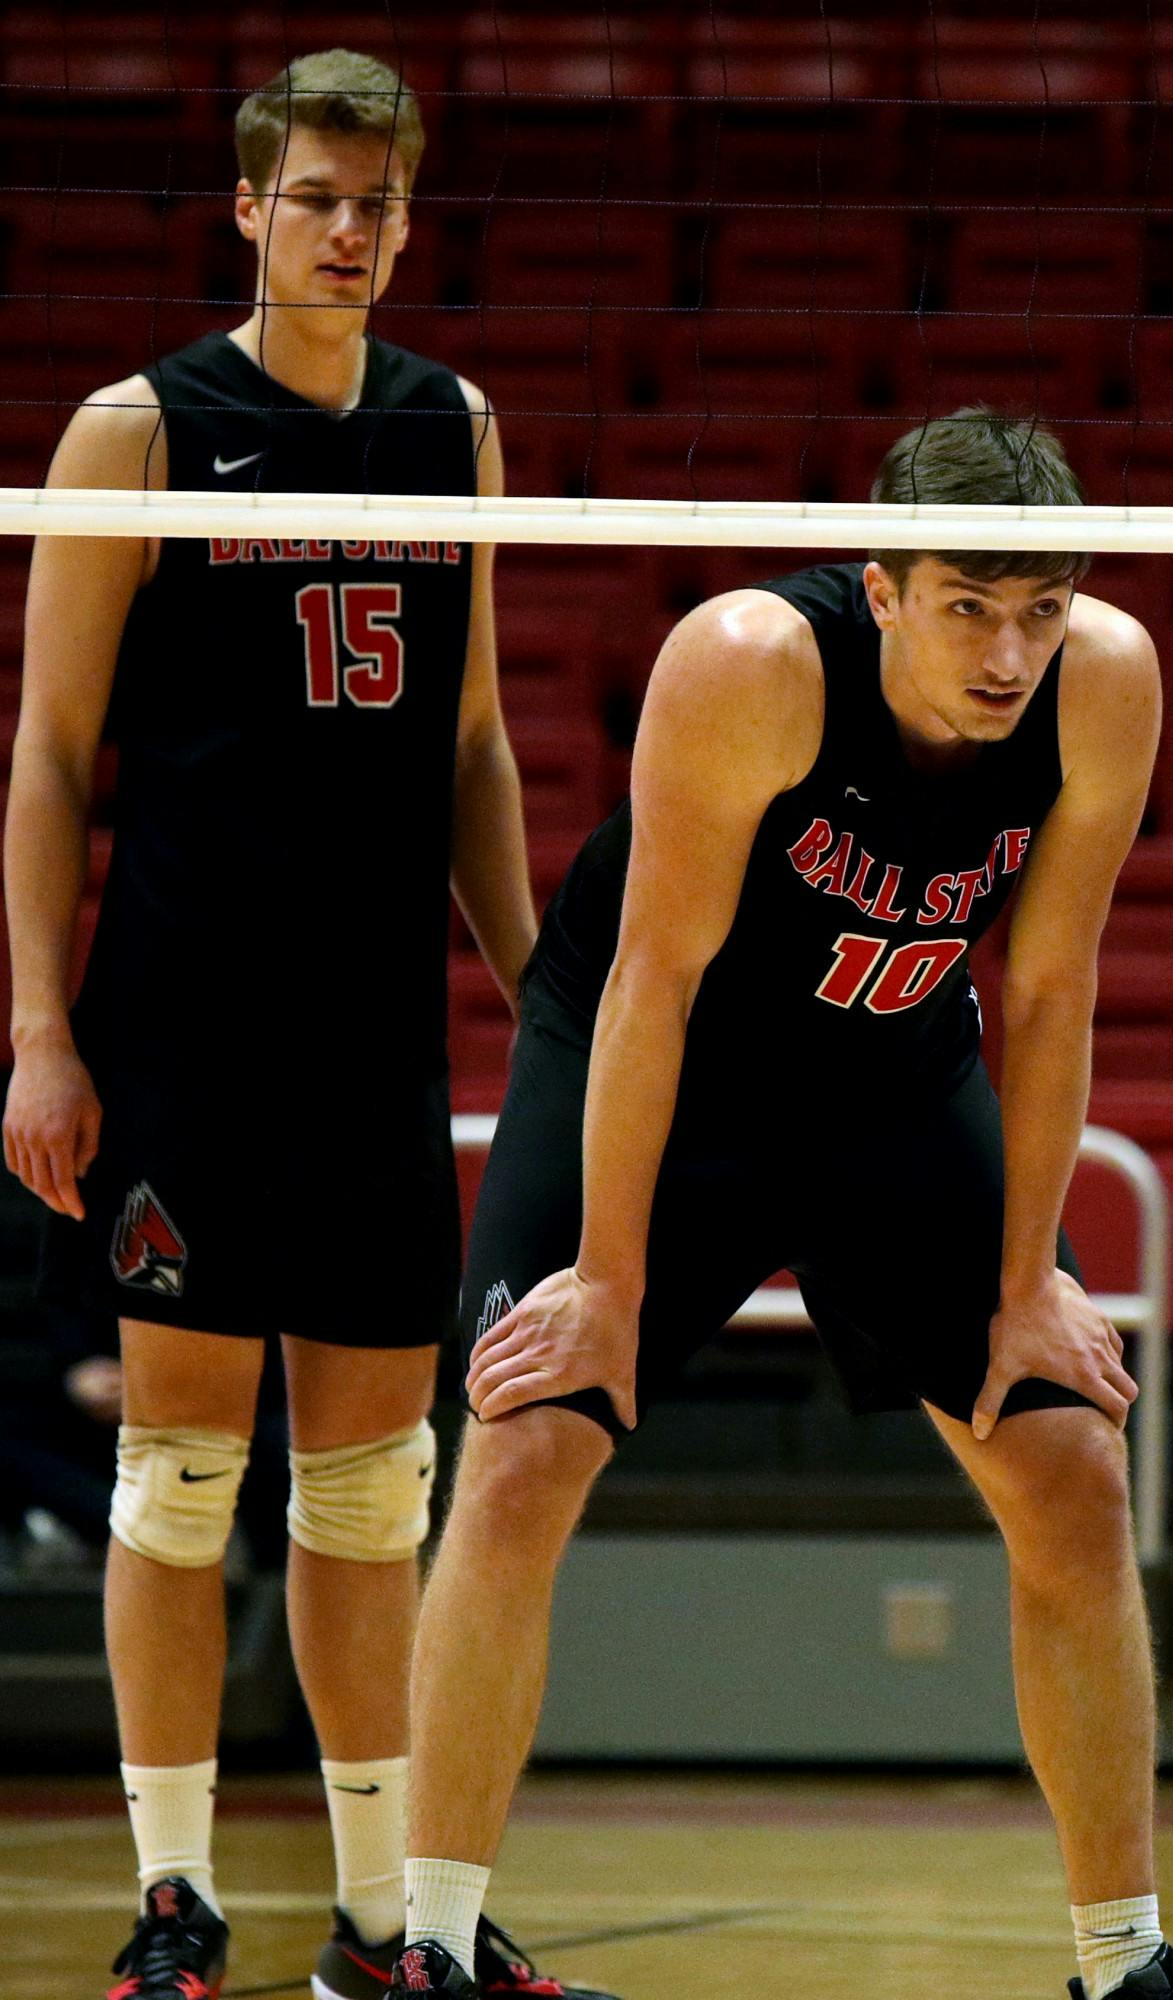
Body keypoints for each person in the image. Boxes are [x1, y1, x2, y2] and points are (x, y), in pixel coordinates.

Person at [395, 409, 1173, 2000]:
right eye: (967, 607)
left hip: (893, 1086)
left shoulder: (1103, 682)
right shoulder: (750, 661)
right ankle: (426, 1948)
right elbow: (652, 977)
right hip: (668, 1066)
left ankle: (1124, 1967)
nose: (1006, 654)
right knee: (520, 1442)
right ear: (883, 584)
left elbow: (1046, 990)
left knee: (1071, 1473)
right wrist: (610, 1281)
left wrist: (1030, 1284)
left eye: (1036, 611)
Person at [2, 48, 615, 2000]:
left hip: (370, 1040)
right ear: (248, 209)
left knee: (373, 1493)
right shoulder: (141, 427)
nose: (349, 231)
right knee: (177, 1483)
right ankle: (175, 1894)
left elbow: (475, 748)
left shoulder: (456, 428)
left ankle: (382, 1922)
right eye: (317, 198)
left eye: (380, 203)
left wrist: (549, 1005)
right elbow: (48, 756)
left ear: (410, 220)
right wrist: (40, 1026)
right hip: (178, 1025)